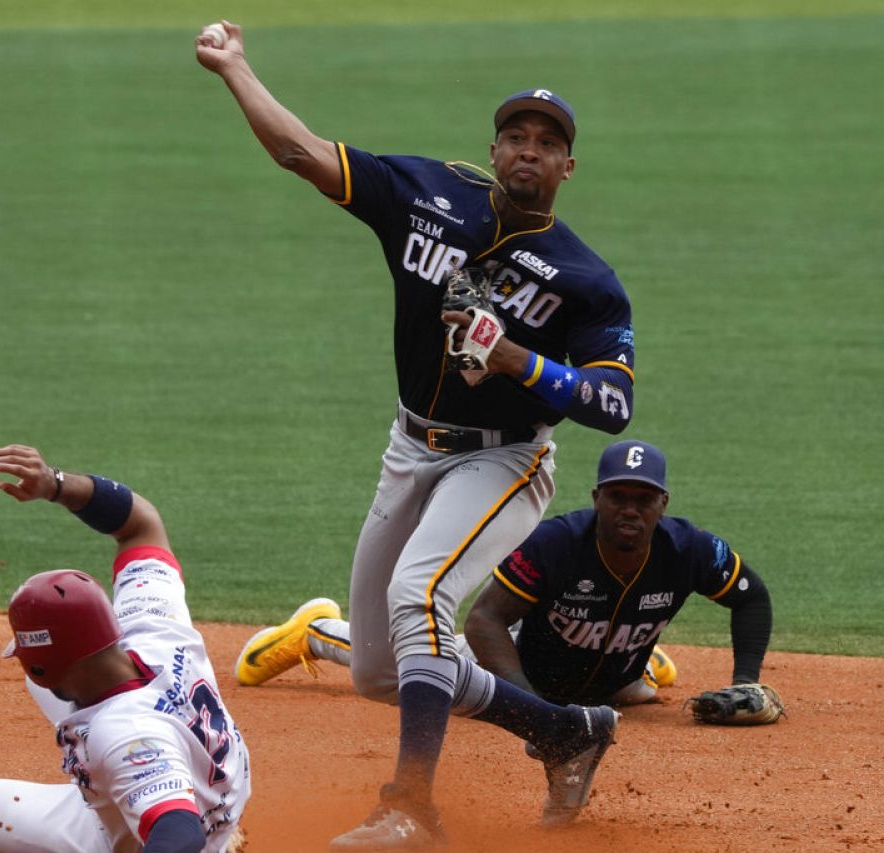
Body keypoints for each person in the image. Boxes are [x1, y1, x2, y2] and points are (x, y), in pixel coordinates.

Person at [197, 21, 637, 849]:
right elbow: (299, 152)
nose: (528, 152)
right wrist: (235, 68)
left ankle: (411, 804)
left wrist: (515, 360)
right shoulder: (425, 194)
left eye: (548, 143)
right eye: (516, 136)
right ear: (495, 146)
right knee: (377, 669)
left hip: (504, 460)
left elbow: (612, 405)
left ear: (568, 166)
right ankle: (563, 730)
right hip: (411, 448)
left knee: (421, 596)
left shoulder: (586, 281)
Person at [241, 439, 771, 715]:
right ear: (597, 498)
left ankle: (633, 660)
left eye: (643, 499)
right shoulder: (558, 542)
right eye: (618, 496)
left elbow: (753, 598)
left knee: (634, 693)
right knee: (424, 671)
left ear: (663, 504)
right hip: (516, 663)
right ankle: (319, 632)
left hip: (606, 681)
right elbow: (484, 619)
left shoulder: (690, 549)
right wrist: (526, 705)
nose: (629, 509)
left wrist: (747, 681)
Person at [0, 445, 249, 853]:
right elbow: (140, 524)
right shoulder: (153, 624)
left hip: (184, 829)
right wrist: (56, 485)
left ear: (48, 664)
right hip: (208, 775)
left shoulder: (125, 739)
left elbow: (180, 834)